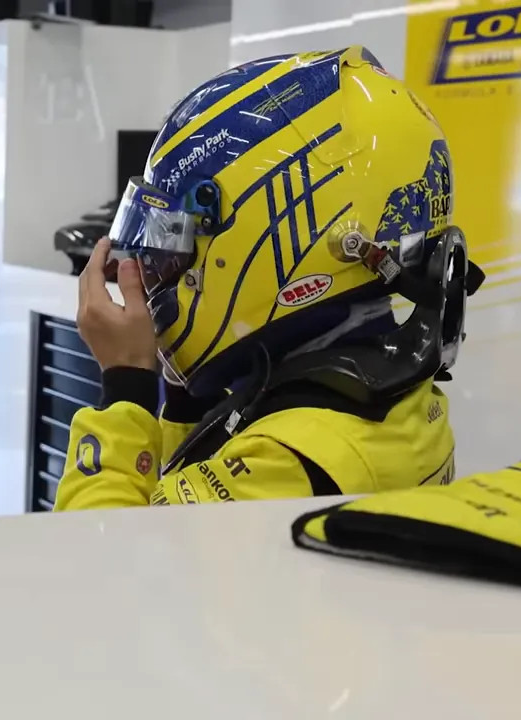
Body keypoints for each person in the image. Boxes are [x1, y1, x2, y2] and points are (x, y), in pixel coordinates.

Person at [56, 47, 484, 509]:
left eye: (178, 245)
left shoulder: (291, 460)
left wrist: (125, 388)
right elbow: (185, 498)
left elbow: (101, 566)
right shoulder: (377, 397)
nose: (154, 273)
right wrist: (184, 404)